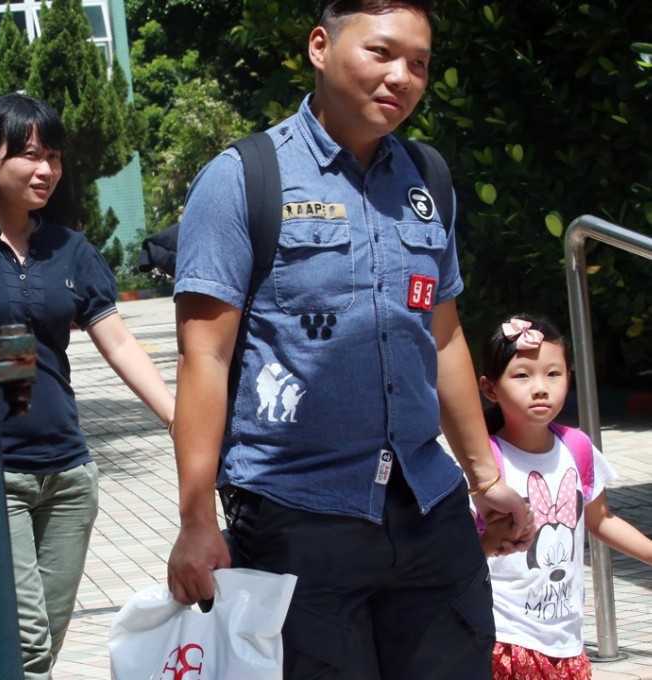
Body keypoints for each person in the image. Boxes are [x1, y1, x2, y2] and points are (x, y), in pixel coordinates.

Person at [167, 1, 533, 678]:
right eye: (382, 53)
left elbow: (444, 337)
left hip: (427, 507)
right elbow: (205, 357)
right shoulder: (244, 178)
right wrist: (195, 520)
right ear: (319, 47)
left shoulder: (429, 179)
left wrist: (485, 477)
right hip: (296, 513)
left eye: (419, 65)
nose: (402, 77)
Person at [0, 92, 175, 679]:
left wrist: (176, 417)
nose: (45, 170)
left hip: (69, 475)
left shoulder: (69, 249)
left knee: (44, 645)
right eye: (29, 155)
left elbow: (119, 342)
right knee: (29, 644)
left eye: (54, 156)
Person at [478, 314, 652, 680]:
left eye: (553, 374)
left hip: (567, 641)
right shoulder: (486, 466)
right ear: (490, 388)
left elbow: (601, 519)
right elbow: (461, 550)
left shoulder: (578, 447)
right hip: (504, 639)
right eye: (522, 375)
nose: (540, 387)